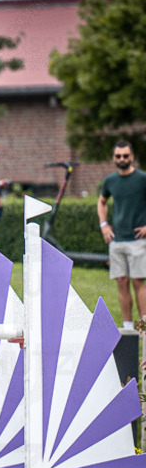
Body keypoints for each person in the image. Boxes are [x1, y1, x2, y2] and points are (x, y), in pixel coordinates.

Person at [98, 140, 146, 329]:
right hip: (116, 240)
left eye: (125, 156)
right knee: (121, 281)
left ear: (132, 157)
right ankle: (128, 328)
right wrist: (104, 225)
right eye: (118, 156)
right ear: (114, 158)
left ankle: (143, 328)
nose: (122, 159)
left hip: (138, 241)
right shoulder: (110, 181)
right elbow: (101, 202)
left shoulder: (142, 179)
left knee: (138, 282)